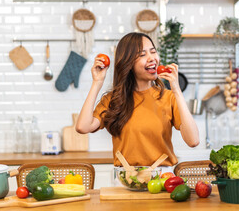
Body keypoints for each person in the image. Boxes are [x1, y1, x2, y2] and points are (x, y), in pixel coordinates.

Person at [76, 32, 199, 168]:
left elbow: (193, 140)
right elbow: (83, 127)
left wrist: (176, 90)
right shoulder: (113, 100)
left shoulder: (168, 97)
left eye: (153, 52)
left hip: (162, 179)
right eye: (142, 55)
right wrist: (97, 83)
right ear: (128, 62)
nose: (152, 58)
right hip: (125, 180)